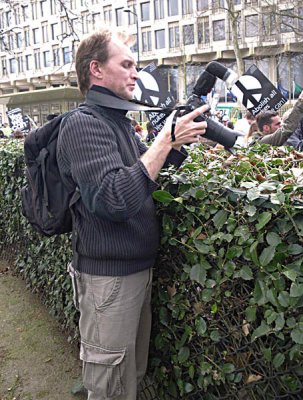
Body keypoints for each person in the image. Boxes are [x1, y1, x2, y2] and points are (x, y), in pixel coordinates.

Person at [57, 28, 208, 400]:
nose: (136, 74)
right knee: (109, 385)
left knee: (130, 376)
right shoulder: (83, 124)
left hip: (134, 273)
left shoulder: (117, 122)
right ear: (96, 70)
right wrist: (162, 141)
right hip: (108, 282)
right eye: (126, 65)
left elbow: (143, 177)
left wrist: (177, 144)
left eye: (135, 65)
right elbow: (114, 199)